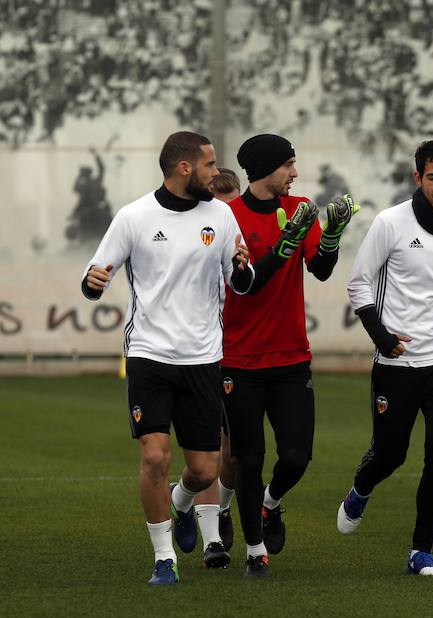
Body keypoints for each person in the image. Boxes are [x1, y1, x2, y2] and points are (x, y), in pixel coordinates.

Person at [80, 131, 254, 585]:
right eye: (209, 165)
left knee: (203, 471)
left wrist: (241, 268)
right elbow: (96, 271)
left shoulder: (221, 216)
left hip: (202, 358)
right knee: (155, 458)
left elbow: (240, 280)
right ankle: (164, 559)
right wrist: (94, 281)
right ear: (183, 168)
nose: (216, 172)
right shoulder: (134, 216)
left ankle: (181, 502)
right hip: (149, 355)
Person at [336, 140, 433, 577]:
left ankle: (421, 550)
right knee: (390, 454)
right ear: (417, 177)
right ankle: (361, 487)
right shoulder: (390, 223)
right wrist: (380, 336)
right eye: (432, 177)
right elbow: (359, 284)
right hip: (396, 361)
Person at [220, 134, 358, 577]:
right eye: (288, 165)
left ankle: (270, 503)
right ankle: (254, 551)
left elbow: (320, 268)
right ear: (264, 168)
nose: (295, 173)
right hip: (239, 361)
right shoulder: (229, 218)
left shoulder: (299, 207)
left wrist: (331, 234)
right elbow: (245, 284)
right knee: (249, 460)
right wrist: (283, 247)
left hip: (291, 358)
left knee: (296, 457)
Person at [190, 166, 242, 560]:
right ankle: (212, 540)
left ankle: (214, 507)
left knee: (236, 451)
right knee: (207, 448)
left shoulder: (244, 249)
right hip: (204, 355)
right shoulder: (195, 242)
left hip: (244, 355)